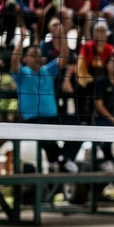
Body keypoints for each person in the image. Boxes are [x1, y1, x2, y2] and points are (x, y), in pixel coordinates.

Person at [10, 25, 79, 173]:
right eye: (33, 55)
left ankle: (62, 159)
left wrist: (61, 36)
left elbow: (64, 57)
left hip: (52, 117)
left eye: (38, 55)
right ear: (25, 58)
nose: (37, 57)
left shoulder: (47, 70)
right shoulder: (22, 73)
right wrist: (21, 40)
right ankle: (61, 161)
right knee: (46, 136)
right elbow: (14, 61)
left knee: (79, 129)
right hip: (33, 119)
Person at [74, 23, 114, 123]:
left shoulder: (110, 49)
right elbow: (80, 67)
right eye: (97, 31)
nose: (99, 34)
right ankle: (82, 119)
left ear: (106, 34)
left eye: (102, 31)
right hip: (88, 80)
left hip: (105, 81)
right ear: (93, 33)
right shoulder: (87, 47)